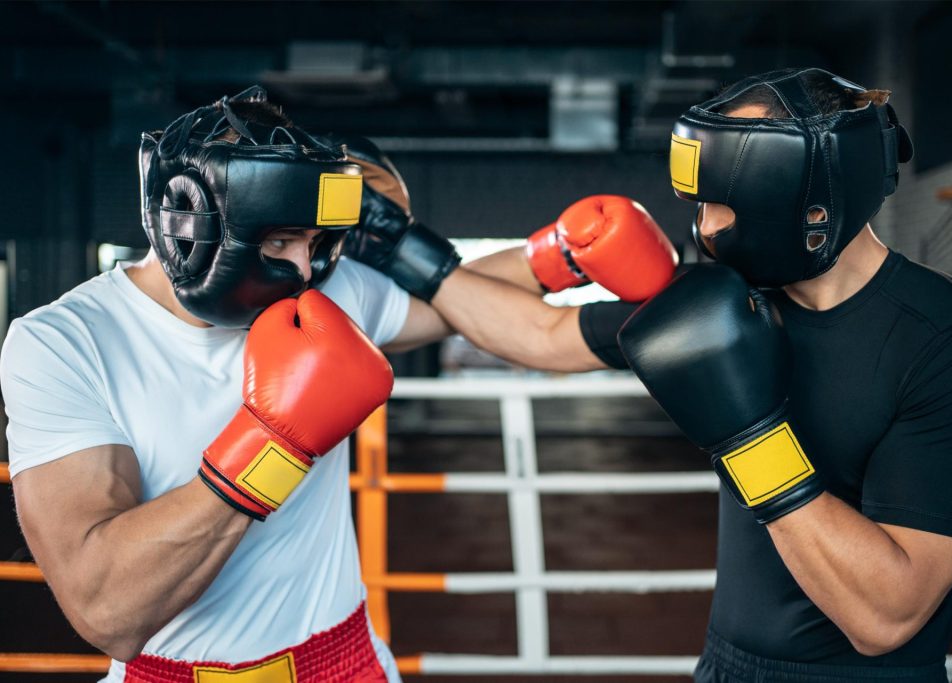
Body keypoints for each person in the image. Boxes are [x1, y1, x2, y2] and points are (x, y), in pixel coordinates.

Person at [0, 86, 678, 683]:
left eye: (314, 242)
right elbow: (107, 609)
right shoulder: (65, 343)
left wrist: (560, 256)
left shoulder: (317, 290)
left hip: (343, 660)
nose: (302, 267)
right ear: (193, 231)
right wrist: (272, 442)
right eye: (280, 243)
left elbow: (458, 302)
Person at [618, 68, 952, 682]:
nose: (706, 228)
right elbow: (539, 336)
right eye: (700, 204)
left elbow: (886, 620)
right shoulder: (731, 306)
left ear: (807, 201)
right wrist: (428, 260)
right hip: (724, 666)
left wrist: (750, 443)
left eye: (727, 202)